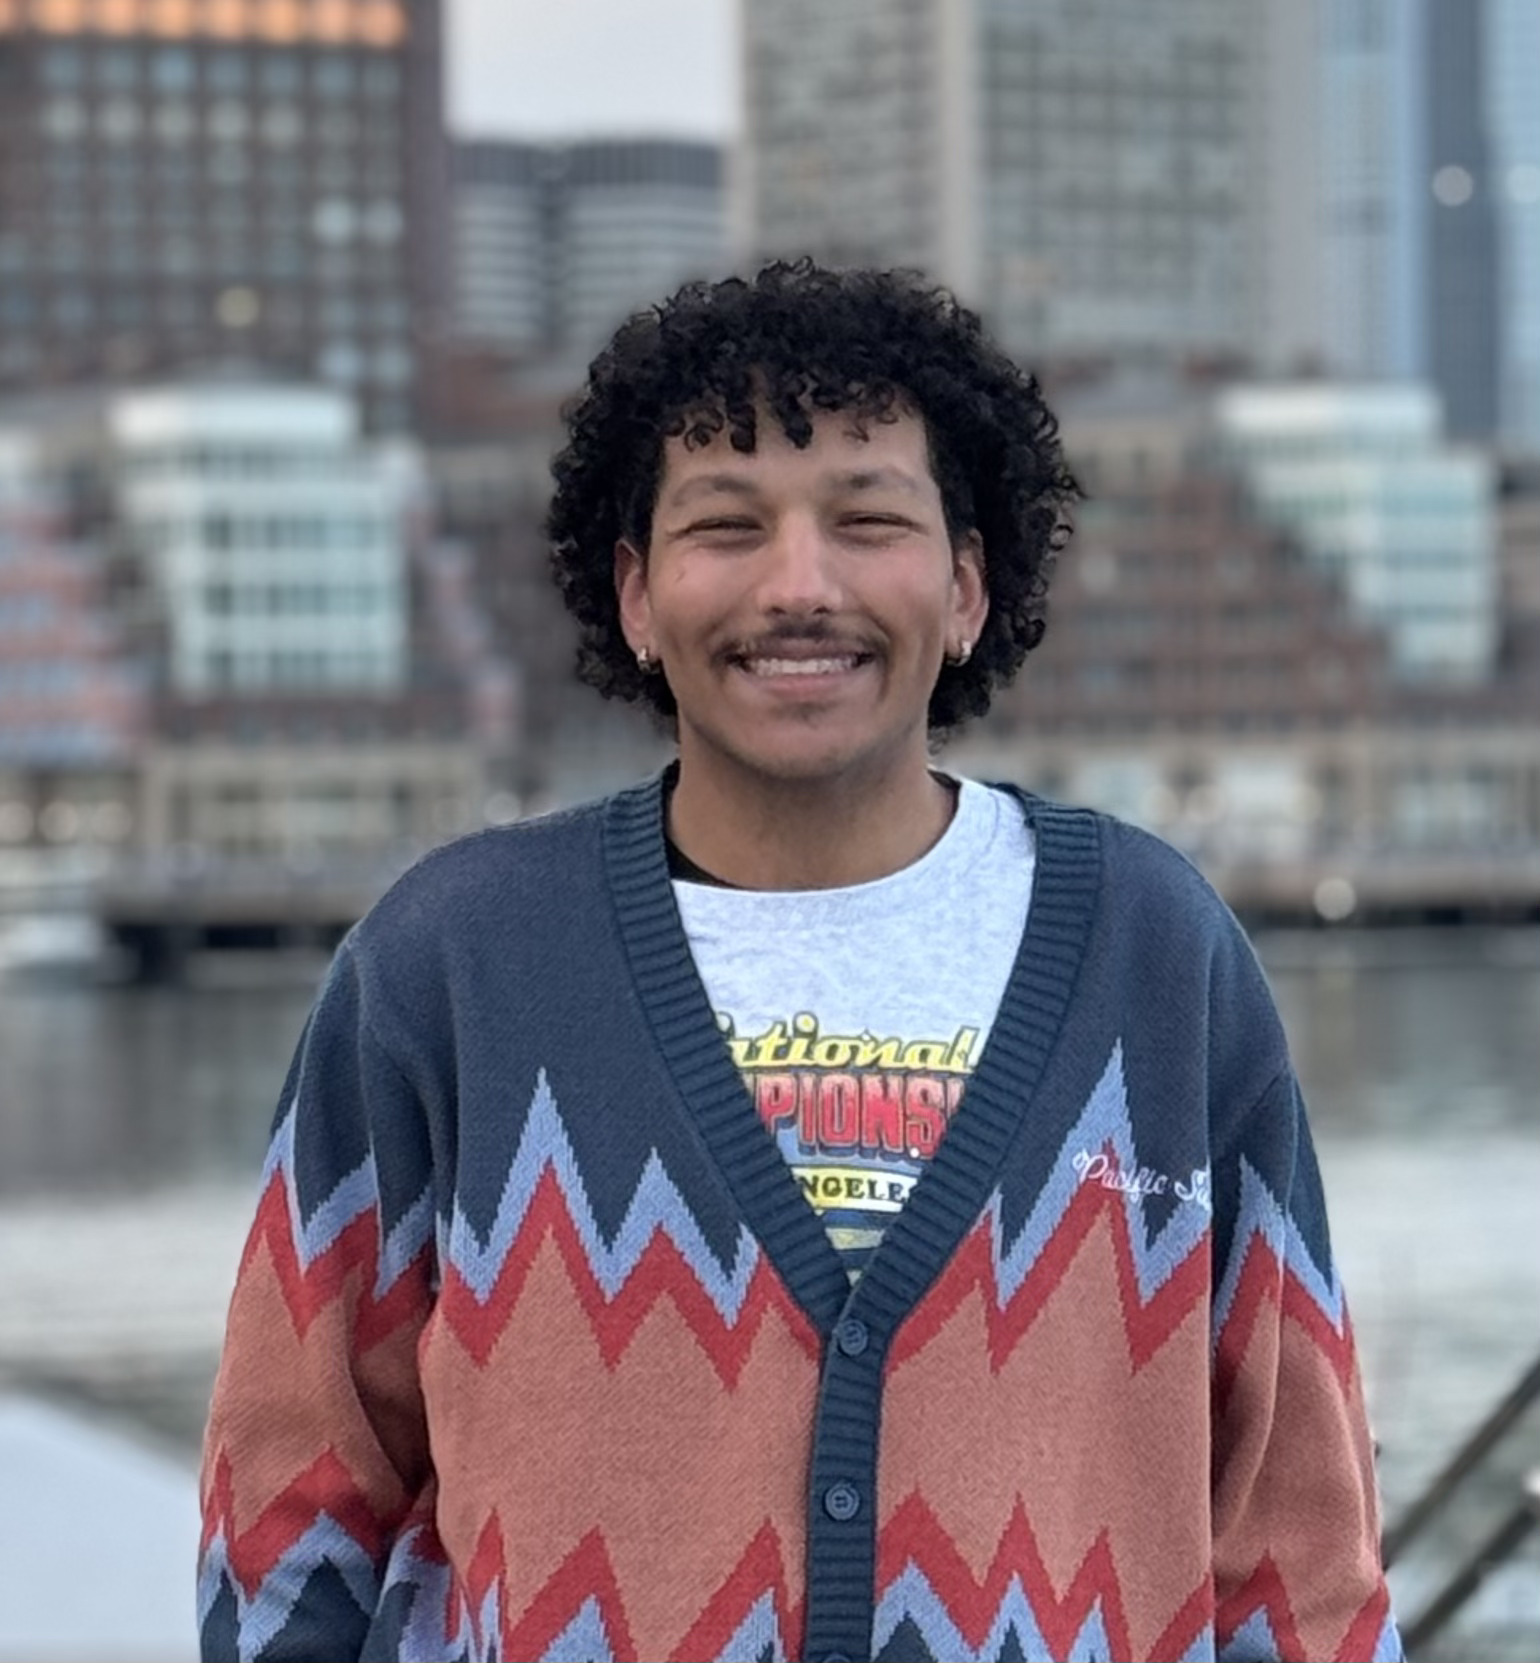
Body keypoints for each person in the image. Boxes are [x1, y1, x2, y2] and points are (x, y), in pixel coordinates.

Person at [198, 261, 1401, 1663]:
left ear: (965, 587)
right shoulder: (450, 968)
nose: (799, 585)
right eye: (727, 525)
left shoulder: (1157, 954)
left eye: (867, 519)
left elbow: (1299, 1539)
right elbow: (287, 1506)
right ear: (638, 597)